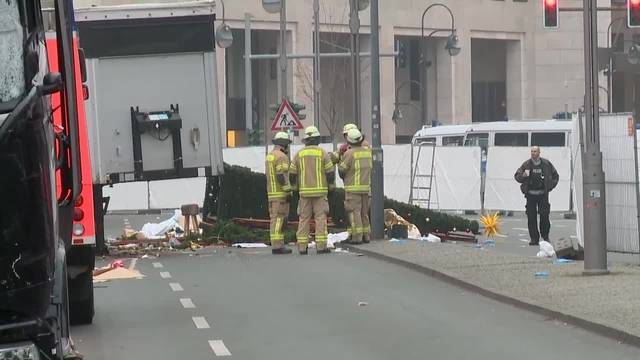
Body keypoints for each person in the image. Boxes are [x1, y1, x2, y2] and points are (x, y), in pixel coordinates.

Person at [290, 126, 335, 254]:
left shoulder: (299, 154)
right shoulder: (322, 153)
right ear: (317, 139)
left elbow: (292, 174)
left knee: (303, 219)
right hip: (320, 193)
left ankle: (302, 247)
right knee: (320, 218)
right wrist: (331, 186)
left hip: (304, 193)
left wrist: (294, 188)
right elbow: (330, 173)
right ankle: (321, 246)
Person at [514, 146, 559, 246]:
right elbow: (517, 176)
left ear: (539, 152)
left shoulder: (546, 164)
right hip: (530, 195)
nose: (533, 153)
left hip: (543, 195)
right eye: (532, 151)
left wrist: (549, 186)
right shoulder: (526, 164)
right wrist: (523, 176)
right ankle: (534, 238)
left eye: (535, 151)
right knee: (531, 217)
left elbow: (556, 176)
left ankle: (545, 236)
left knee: (544, 216)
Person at [339, 128, 372, 244]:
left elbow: (342, 170)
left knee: (354, 212)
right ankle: (366, 235)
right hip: (365, 188)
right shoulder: (367, 152)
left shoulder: (349, 153)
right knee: (364, 213)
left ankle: (357, 237)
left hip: (353, 189)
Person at [265, 132, 293, 254]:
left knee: (274, 219)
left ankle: (278, 243)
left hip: (271, 193)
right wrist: (288, 190)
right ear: (284, 144)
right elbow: (281, 175)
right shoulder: (282, 157)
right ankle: (277, 245)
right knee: (279, 220)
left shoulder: (270, 156)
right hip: (280, 194)